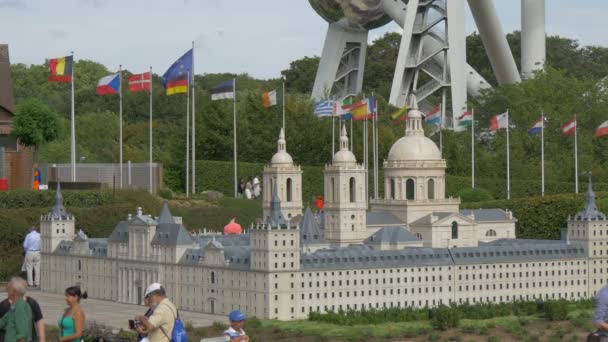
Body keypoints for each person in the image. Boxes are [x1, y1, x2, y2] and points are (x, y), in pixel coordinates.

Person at [0, 278, 45, 342]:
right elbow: (3, 321)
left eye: (9, 288)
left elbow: (22, 331)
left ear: (14, 291)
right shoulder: (14, 306)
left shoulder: (20, 306)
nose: (7, 290)